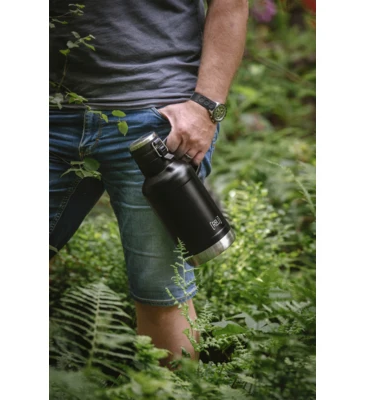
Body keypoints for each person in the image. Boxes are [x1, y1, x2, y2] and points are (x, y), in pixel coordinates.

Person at [49, 0, 248, 365]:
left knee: (161, 293)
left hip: (157, 120)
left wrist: (206, 107)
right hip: (50, 113)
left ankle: (166, 388)